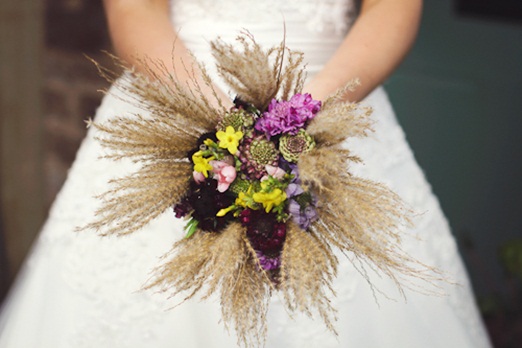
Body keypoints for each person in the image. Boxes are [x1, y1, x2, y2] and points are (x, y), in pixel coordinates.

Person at [0, 0, 492, 347]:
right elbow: (134, 8)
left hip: (337, 97)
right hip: (178, 90)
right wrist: (224, 125)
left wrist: (303, 114)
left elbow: (392, 6)